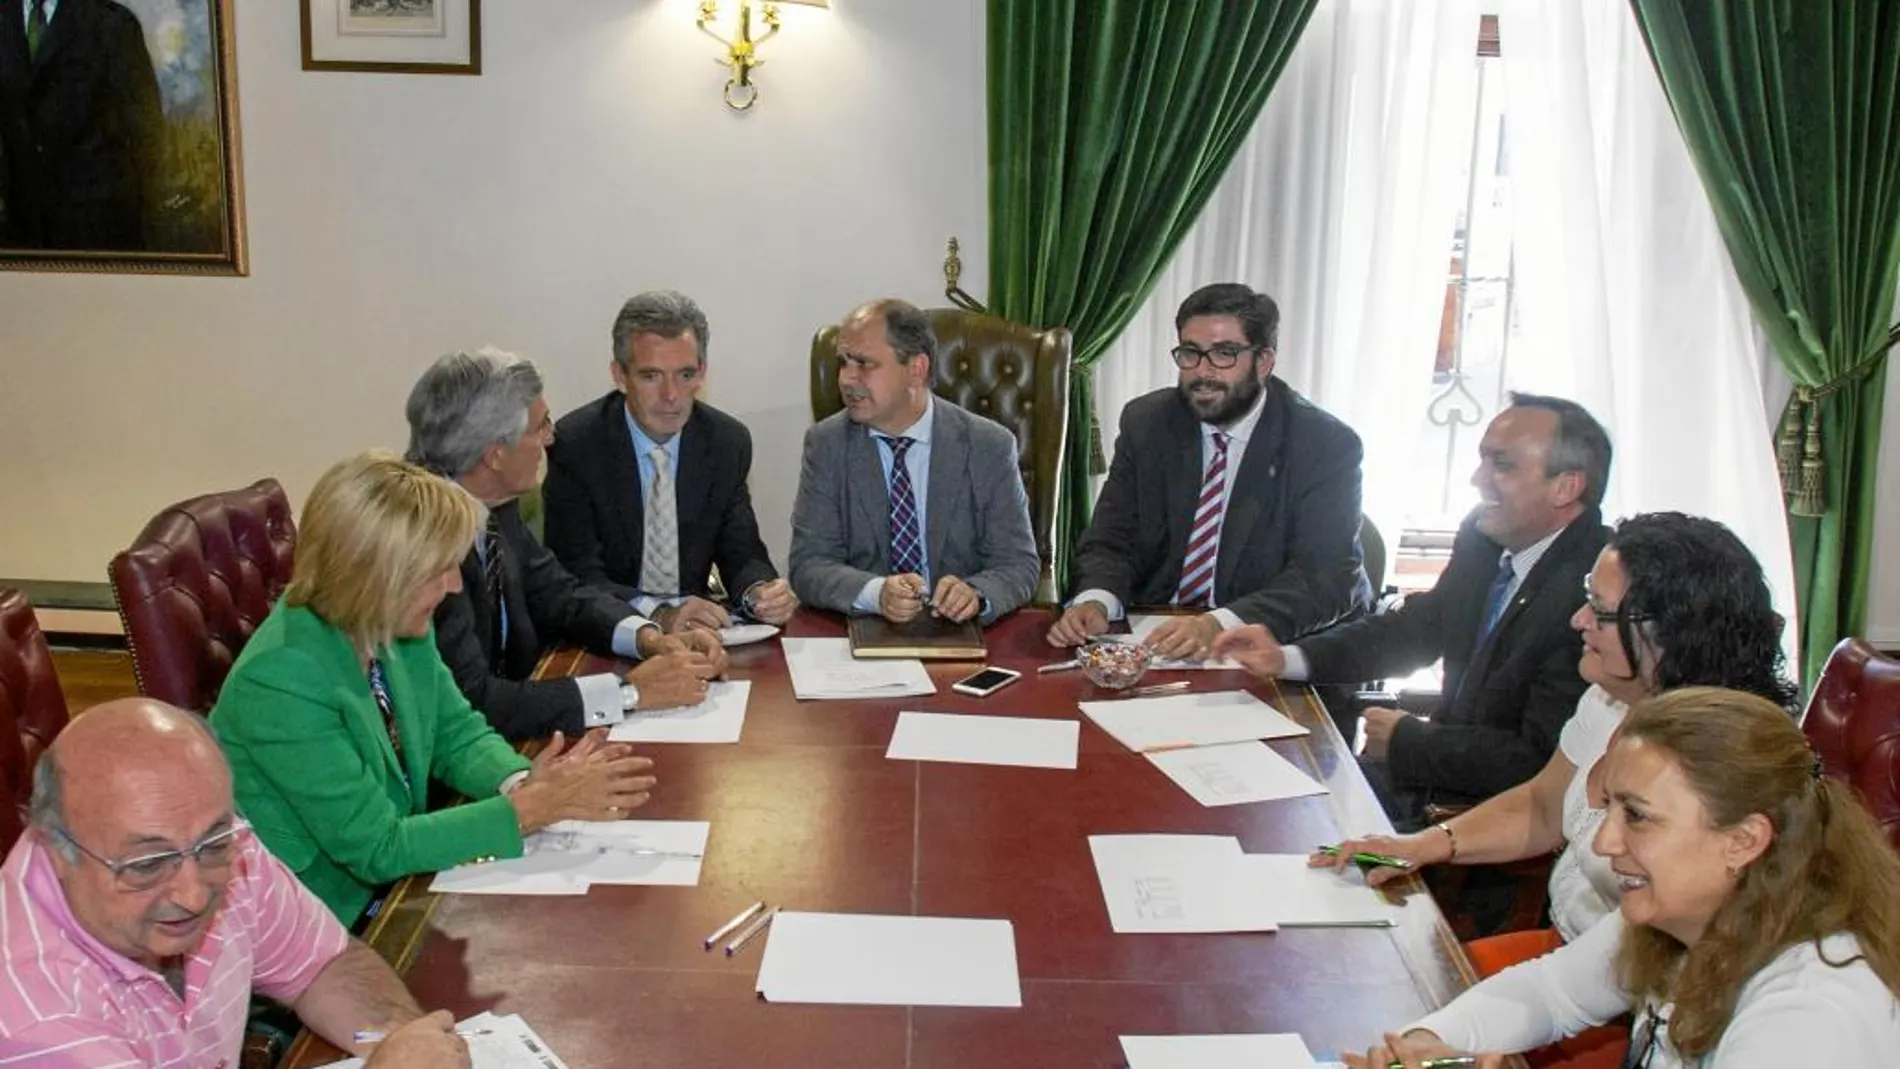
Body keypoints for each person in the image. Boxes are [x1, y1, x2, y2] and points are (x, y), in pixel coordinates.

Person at [1322, 513, 1798, 1068]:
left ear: (1669, 631)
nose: (1577, 620)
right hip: (1596, 970)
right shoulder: (1607, 697)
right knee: (1386, 1006)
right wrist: (1424, 844)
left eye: (1598, 609)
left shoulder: (1723, 763)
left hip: (1628, 1018)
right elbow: (1543, 806)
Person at [210, 452, 660, 925]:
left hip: (406, 881)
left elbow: (454, 732)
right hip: (330, 919)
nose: (452, 587)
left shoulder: (392, 620)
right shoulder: (280, 679)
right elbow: (377, 848)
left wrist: (523, 782)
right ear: (375, 575)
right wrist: (525, 812)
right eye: (438, 569)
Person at [1345, 687, 1900, 1069]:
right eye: (1608, 807)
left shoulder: (1810, 1015)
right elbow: (1550, 991)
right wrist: (1427, 1042)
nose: (1605, 843)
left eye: (1636, 815)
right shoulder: (1691, 916)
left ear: (1744, 840)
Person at [0, 698, 470, 1068]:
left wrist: (404, 1042)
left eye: (213, 844)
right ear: (55, 850)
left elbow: (321, 967)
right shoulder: (36, 1021)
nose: (193, 894)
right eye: (146, 865)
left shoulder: (211, 838)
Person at [1215, 395, 1614, 827]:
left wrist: (1409, 741)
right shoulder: (1483, 539)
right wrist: (1288, 656)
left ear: (1566, 487)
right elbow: (1419, 627)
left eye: (1502, 465)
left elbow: (1540, 761)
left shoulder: (1595, 597)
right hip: (1420, 784)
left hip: (1477, 824)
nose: (1477, 478)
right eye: (1482, 460)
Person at [406, 347, 726, 741]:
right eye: (539, 427)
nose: (551, 438)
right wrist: (630, 692)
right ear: (495, 455)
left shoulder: (493, 505)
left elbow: (560, 594)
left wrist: (651, 638)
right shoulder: (420, 539)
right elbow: (473, 701)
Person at [1048, 282, 1368, 661]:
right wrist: (1096, 600)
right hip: (1154, 637)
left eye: (1224, 354)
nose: (1203, 372)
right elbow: (1112, 537)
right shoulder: (1149, 423)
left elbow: (1326, 576)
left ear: (1264, 362)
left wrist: (1219, 623)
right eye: (1190, 353)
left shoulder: (1323, 444)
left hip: (1268, 643)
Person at [545, 290, 798, 632]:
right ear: (619, 375)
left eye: (685, 374)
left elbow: (742, 551)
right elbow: (578, 575)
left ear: (702, 372)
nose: (671, 396)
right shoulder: (577, 444)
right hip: (607, 629)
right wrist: (658, 613)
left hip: (697, 633)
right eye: (650, 376)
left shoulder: (726, 442)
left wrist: (759, 594)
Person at [788, 298, 1039, 624]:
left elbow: (1019, 565)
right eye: (843, 362)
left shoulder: (988, 445)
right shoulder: (827, 445)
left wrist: (975, 593)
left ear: (916, 370)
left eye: (863, 364)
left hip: (959, 637)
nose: (847, 379)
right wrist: (876, 593)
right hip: (864, 638)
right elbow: (809, 564)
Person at [0, 0, 163, 249]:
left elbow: (146, 135)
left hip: (97, 232)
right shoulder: (4, 18)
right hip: (19, 233)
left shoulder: (111, 23)